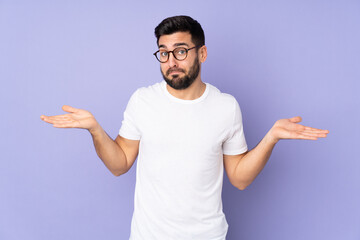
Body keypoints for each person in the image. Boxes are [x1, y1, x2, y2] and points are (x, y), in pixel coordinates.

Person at [40, 15, 329, 240]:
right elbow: (120, 164)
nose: (170, 62)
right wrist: (95, 130)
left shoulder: (226, 106)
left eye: (180, 51)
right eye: (163, 53)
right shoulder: (143, 100)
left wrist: (271, 138)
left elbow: (239, 178)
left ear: (201, 53)